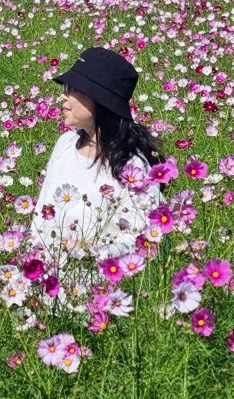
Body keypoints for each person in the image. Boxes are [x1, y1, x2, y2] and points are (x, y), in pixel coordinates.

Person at [31, 47, 162, 273]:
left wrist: (86, 249)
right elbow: (40, 217)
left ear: (99, 99)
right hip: (46, 280)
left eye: (72, 89)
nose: (64, 95)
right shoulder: (65, 144)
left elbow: (145, 241)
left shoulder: (132, 167)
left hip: (98, 287)